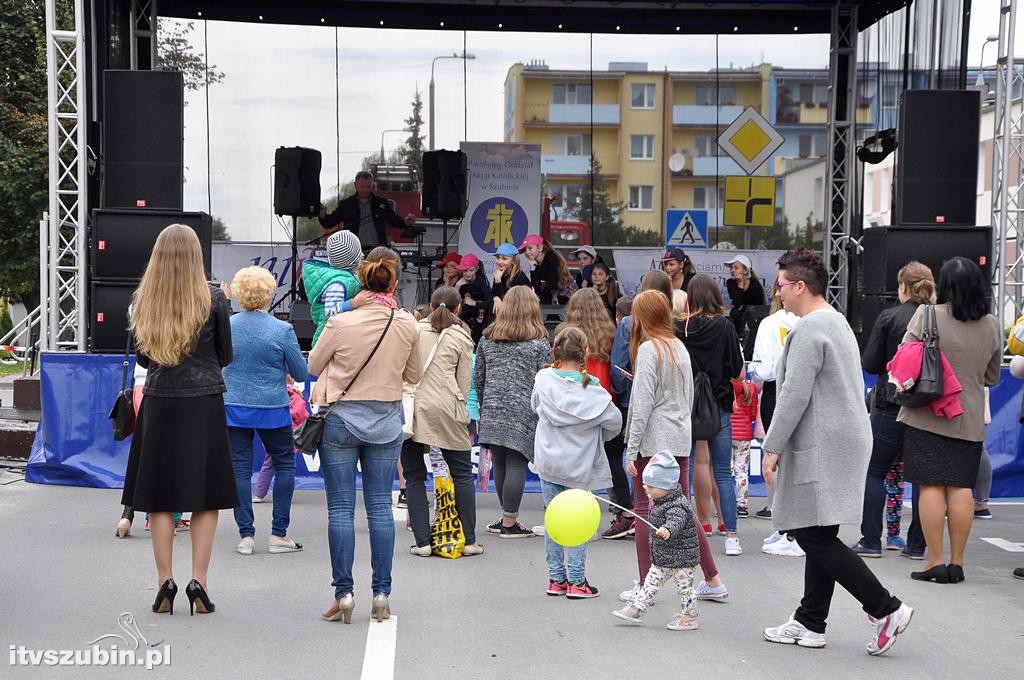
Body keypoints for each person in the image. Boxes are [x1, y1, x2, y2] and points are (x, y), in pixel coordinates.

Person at [761, 247, 912, 655]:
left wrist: (771, 446)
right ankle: (810, 622)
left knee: (811, 533)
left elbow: (793, 394)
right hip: (841, 436)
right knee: (819, 530)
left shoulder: (809, 329)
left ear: (800, 286)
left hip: (823, 441)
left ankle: (887, 608)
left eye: (781, 286)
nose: (779, 295)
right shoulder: (837, 321)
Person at [121, 224, 238, 617]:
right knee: (207, 495)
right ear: (196, 256)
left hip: (159, 401)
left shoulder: (144, 300)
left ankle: (164, 583)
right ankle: (199, 582)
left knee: (158, 494)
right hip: (204, 401)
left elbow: (142, 358)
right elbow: (226, 354)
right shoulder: (215, 299)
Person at [309, 246, 423, 624]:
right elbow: (413, 375)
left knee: (340, 509)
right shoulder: (406, 323)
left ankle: (343, 594)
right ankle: (381, 593)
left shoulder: (341, 321)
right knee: (379, 508)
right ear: (394, 280)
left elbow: (313, 363)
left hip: (341, 418)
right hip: (386, 419)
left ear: (362, 278)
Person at [897, 256, 1001, 584]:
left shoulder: (927, 314)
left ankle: (935, 561)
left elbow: (905, 358)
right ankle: (958, 562)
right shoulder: (992, 324)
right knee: (960, 487)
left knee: (930, 484)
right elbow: (992, 376)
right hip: (967, 416)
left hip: (927, 413)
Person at [621, 289, 728, 606]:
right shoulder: (679, 347)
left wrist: (631, 448)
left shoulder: (649, 350)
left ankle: (644, 588)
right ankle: (712, 579)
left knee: (644, 511)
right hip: (680, 439)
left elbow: (641, 406)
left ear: (642, 317)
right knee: (683, 511)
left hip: (654, 443)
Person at [222, 266, 308, 556]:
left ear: (237, 293)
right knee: (284, 465)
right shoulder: (282, 330)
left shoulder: (227, 326)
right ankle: (278, 534)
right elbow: (301, 372)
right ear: (269, 294)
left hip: (233, 406)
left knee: (238, 470)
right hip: (272, 406)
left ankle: (246, 535)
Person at [533, 327, 622, 599]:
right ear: (584, 352)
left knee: (553, 520)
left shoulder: (544, 379)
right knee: (579, 522)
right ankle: (577, 580)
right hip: (580, 464)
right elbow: (614, 424)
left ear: (556, 350)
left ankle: (556, 578)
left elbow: (535, 406)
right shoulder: (593, 390)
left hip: (549, 460)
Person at [852, 261, 932, 560]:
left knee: (874, 472)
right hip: (926, 408)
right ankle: (917, 545)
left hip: (890, 403)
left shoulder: (890, 316)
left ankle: (871, 540)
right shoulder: (938, 318)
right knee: (924, 479)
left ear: (902, 287)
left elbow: (871, 363)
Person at [401, 286, 482, 557]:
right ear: (458, 309)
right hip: (448, 408)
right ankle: (469, 540)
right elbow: (463, 384)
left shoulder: (412, 330)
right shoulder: (462, 337)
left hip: (413, 408)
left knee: (413, 475)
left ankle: (422, 542)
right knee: (461, 474)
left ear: (430, 305)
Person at [474, 285, 551, 538]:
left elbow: (479, 377)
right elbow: (545, 380)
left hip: (493, 407)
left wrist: (485, 406)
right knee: (517, 462)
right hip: (524, 409)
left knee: (500, 462)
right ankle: (509, 522)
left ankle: (506, 516)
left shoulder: (487, 338)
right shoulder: (539, 343)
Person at [676, 274, 744, 556]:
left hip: (686, 406)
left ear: (690, 298)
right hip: (719, 406)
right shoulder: (725, 327)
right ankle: (731, 536)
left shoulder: (680, 328)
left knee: (685, 470)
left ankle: (681, 531)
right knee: (723, 472)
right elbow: (737, 371)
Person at [555, 289, 631, 538]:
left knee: (575, 461)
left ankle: (573, 512)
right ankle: (626, 511)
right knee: (612, 460)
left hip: (576, 404)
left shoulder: (565, 335)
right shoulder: (610, 333)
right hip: (607, 402)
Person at [613, 451, 701, 631]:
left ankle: (689, 617)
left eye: (651, 485)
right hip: (664, 556)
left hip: (682, 559)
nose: (646, 488)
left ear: (666, 486)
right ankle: (637, 608)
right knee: (650, 582)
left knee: (685, 590)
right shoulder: (660, 500)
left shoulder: (678, 504)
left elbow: (676, 521)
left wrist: (667, 529)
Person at [747, 283, 799, 521]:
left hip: (775, 390)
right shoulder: (812, 320)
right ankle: (794, 509)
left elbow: (764, 369)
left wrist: (755, 371)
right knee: (798, 451)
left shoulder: (769, 324)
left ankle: (776, 508)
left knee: (774, 450)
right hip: (802, 389)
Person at [301, 229, 371, 347]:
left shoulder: (345, 277)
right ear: (353, 259)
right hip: (327, 337)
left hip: (337, 333)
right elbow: (330, 310)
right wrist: (353, 303)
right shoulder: (338, 283)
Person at [318, 170, 418, 250]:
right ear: (355, 185)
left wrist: (406, 221)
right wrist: (322, 215)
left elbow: (395, 221)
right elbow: (329, 223)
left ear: (372, 185)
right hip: (353, 251)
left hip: (377, 251)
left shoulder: (381, 204)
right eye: (362, 186)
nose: (365, 190)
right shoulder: (346, 204)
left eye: (368, 186)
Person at [252, 377, 308, 503]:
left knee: (268, 465)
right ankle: (282, 495)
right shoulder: (295, 396)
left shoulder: (270, 393)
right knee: (287, 467)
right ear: (291, 380)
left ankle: (258, 492)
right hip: (290, 436)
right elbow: (303, 416)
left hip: (270, 433)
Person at [731, 372, 758, 519]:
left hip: (727, 434)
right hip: (744, 436)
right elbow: (753, 414)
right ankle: (742, 505)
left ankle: (725, 505)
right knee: (742, 472)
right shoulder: (750, 387)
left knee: (725, 473)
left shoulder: (726, 387)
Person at [520, 234, 575, 304]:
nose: (527, 252)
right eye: (525, 250)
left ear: (540, 248)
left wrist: (540, 298)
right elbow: (537, 287)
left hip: (567, 292)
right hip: (555, 293)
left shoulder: (551, 256)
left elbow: (552, 282)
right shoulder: (536, 262)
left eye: (530, 248)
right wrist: (532, 267)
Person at [724, 254, 767, 341]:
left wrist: (741, 307)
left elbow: (758, 308)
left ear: (745, 270)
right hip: (736, 323)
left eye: (736, 268)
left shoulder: (755, 286)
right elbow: (738, 305)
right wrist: (740, 283)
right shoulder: (730, 283)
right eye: (731, 268)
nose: (732, 270)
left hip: (753, 324)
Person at [455, 253, 493, 345]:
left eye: (471, 270)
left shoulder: (481, 282)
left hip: (481, 322)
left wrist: (474, 303)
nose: (467, 274)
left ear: (476, 269)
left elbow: (490, 303)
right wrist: (457, 287)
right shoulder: (460, 281)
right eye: (465, 271)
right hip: (465, 319)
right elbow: (453, 302)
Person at [490, 242, 532, 314]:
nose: (499, 261)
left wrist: (498, 281)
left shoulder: (520, 278)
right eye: (498, 257)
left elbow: (508, 304)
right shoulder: (500, 274)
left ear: (513, 261)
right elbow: (492, 295)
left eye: (504, 259)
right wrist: (495, 298)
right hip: (503, 318)